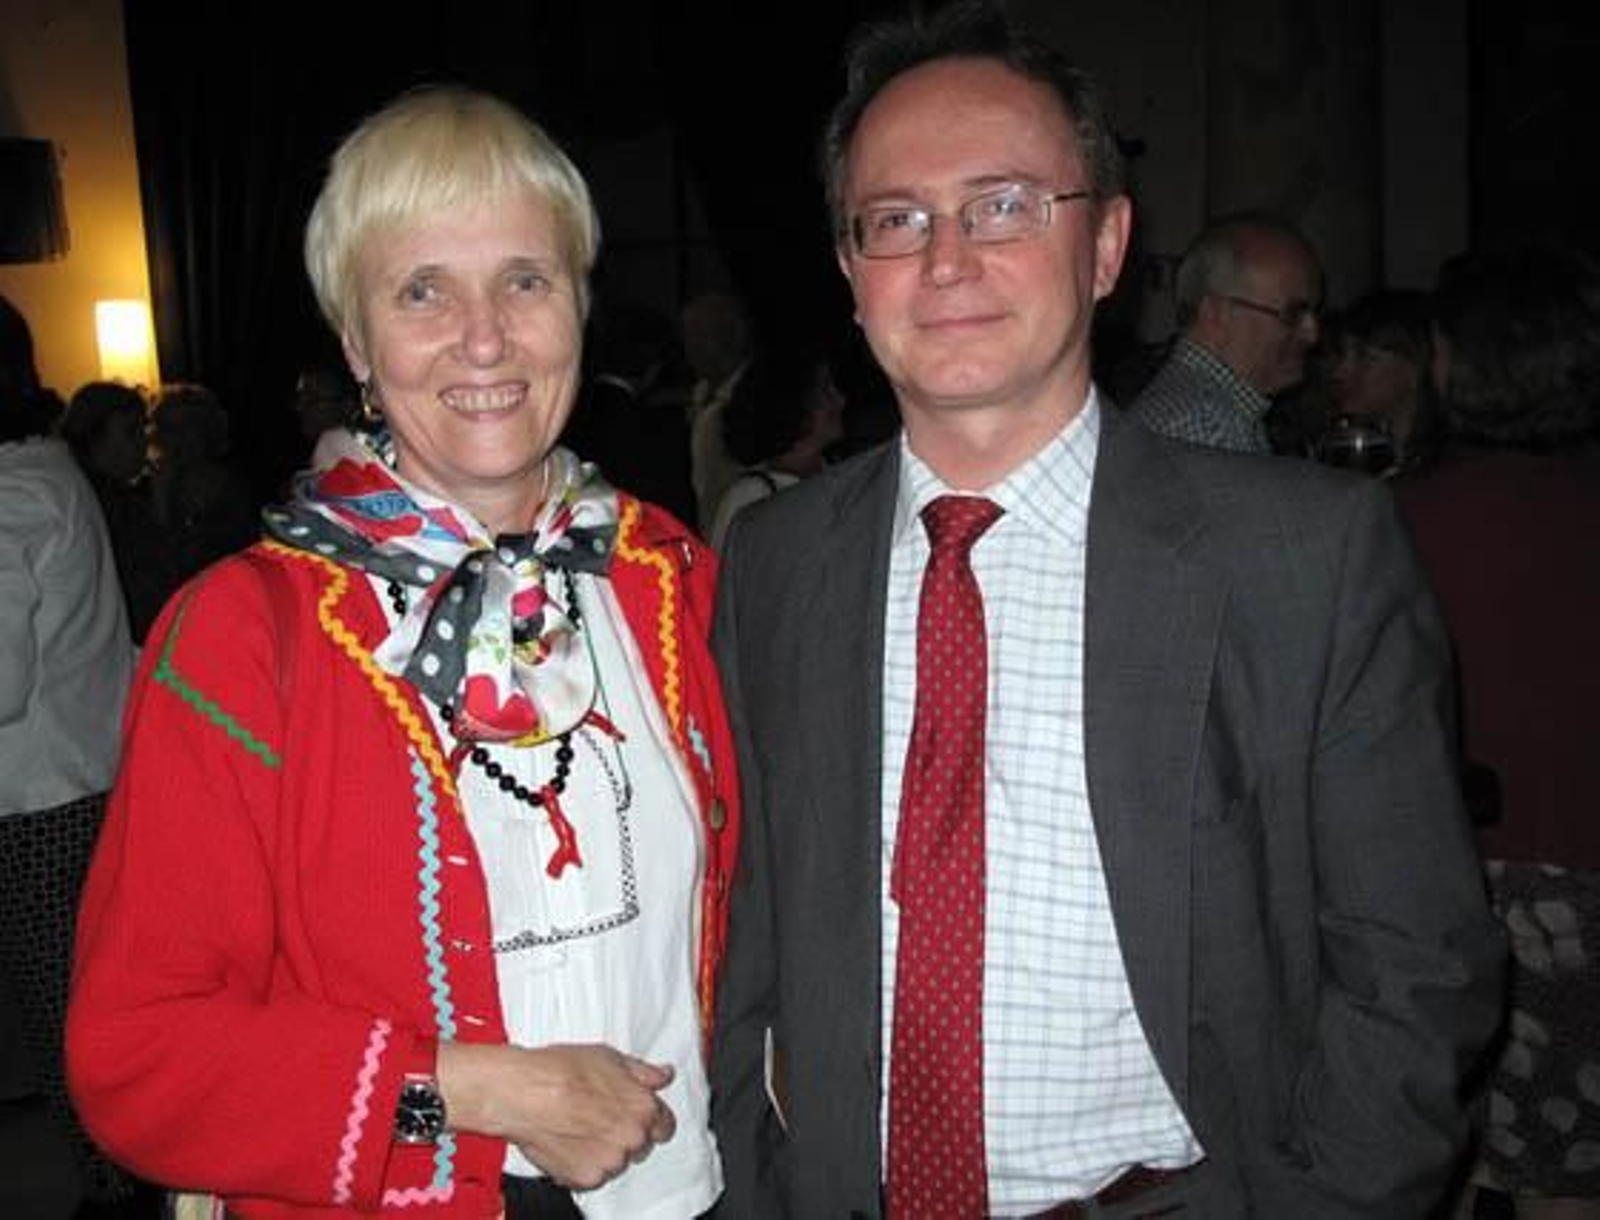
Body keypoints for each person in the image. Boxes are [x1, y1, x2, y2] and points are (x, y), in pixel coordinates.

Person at [708, 5, 1504, 1217]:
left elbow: (1416, 961)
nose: (946, 258)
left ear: (1107, 244)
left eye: (1003, 204)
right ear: (848, 269)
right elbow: (741, 926)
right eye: (896, 219)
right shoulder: (772, 561)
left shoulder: (1306, 556)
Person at [66, 85, 740, 1220]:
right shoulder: (240, 639)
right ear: (356, 342)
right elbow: (137, 1057)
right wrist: (472, 1093)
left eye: (524, 279)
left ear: (578, 305)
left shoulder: (671, 579)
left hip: (690, 1192)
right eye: (422, 289)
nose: (484, 336)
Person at [1395, 242, 1600, 1219]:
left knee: (1433, 1164)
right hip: (1579, 884)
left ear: (1448, 363)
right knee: (1565, 1174)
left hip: (1441, 880)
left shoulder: (1395, 521)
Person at [0, 296, 138, 1208]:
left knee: (71, 1026)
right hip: (80, 786)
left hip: (40, 804)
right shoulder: (45, 468)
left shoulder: (12, 493)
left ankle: (118, 1191)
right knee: (85, 1012)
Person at [1130, 211, 1323, 453]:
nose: (1312, 334)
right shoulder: (1202, 426)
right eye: (1293, 313)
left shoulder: (1215, 413)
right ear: (1216, 314)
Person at [705, 342, 846, 550]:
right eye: (825, 392)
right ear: (795, 406)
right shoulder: (750, 497)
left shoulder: (841, 475)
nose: (841, 400)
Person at [680, 291, 752, 530]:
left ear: (731, 337)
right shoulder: (698, 396)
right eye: (687, 336)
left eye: (700, 335)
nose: (690, 346)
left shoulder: (750, 403)